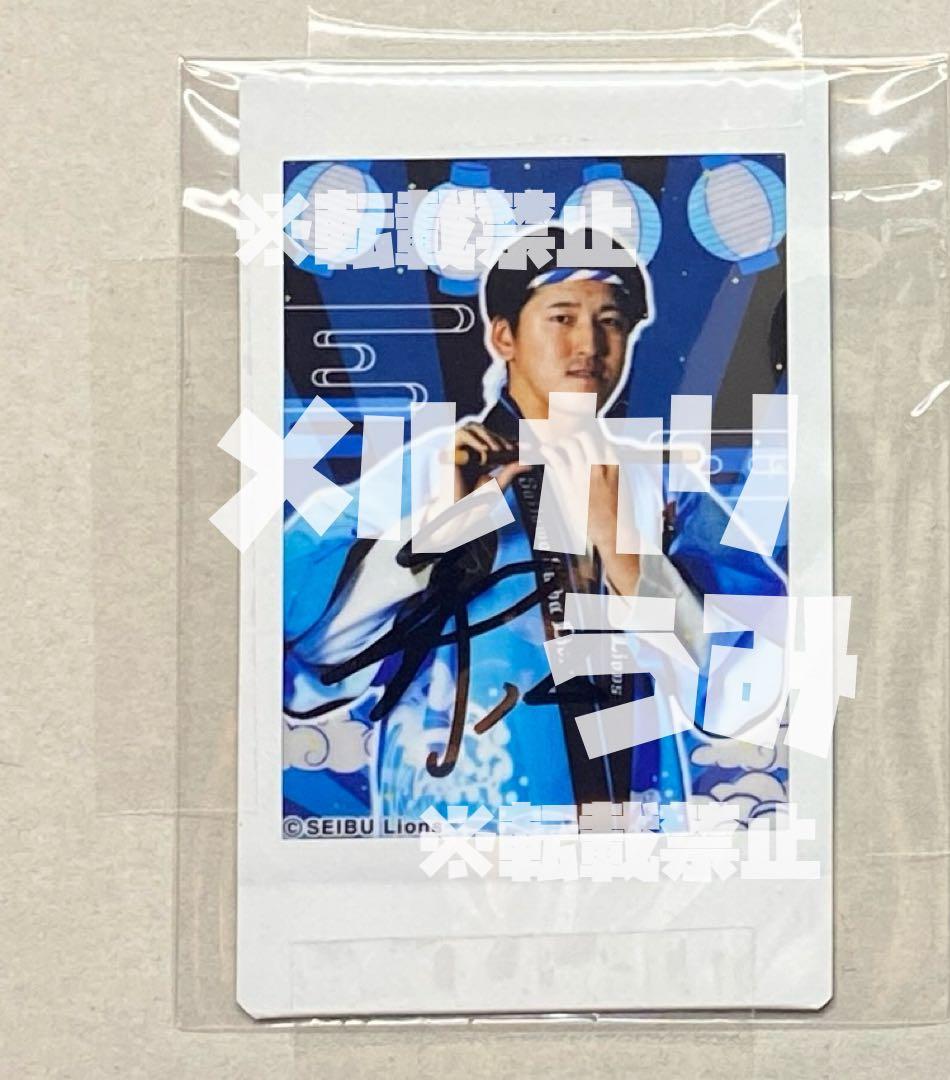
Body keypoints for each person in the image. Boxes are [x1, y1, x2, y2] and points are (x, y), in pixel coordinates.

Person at [282, 225, 786, 827]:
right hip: (459, 813)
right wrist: (431, 540)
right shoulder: (429, 472)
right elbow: (299, 660)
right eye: (562, 317)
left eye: (611, 322)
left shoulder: (664, 484)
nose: (589, 344)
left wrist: (631, 562)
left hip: (636, 818)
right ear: (504, 335)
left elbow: (756, 685)